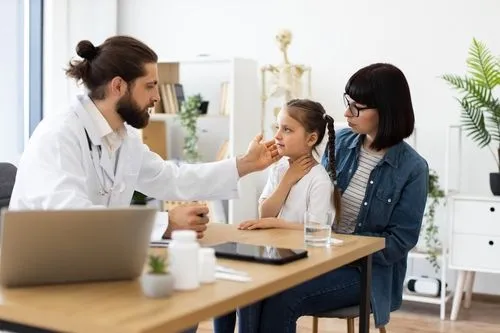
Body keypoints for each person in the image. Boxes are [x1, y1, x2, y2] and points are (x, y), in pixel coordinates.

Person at [9, 35, 279, 241]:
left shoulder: (122, 139)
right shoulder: (59, 135)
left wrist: (246, 164)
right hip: (42, 279)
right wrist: (165, 224)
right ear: (118, 86)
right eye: (150, 86)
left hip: (91, 263)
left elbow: (171, 178)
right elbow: (74, 219)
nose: (157, 97)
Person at [233, 63, 429, 333]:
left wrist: (342, 248)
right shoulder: (342, 141)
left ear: (386, 110)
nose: (347, 113)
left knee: (283, 296)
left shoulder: (413, 168)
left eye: (357, 107)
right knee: (253, 284)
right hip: (318, 256)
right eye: (348, 103)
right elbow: (318, 206)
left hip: (365, 273)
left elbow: (400, 241)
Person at [213, 98, 342, 332]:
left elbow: (318, 230)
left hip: (303, 264)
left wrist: (274, 223)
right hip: (276, 258)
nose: (278, 136)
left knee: (251, 288)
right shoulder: (281, 168)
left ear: (311, 139)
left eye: (287, 129)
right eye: (277, 128)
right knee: (232, 282)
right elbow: (265, 211)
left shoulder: (319, 180)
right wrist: (288, 180)